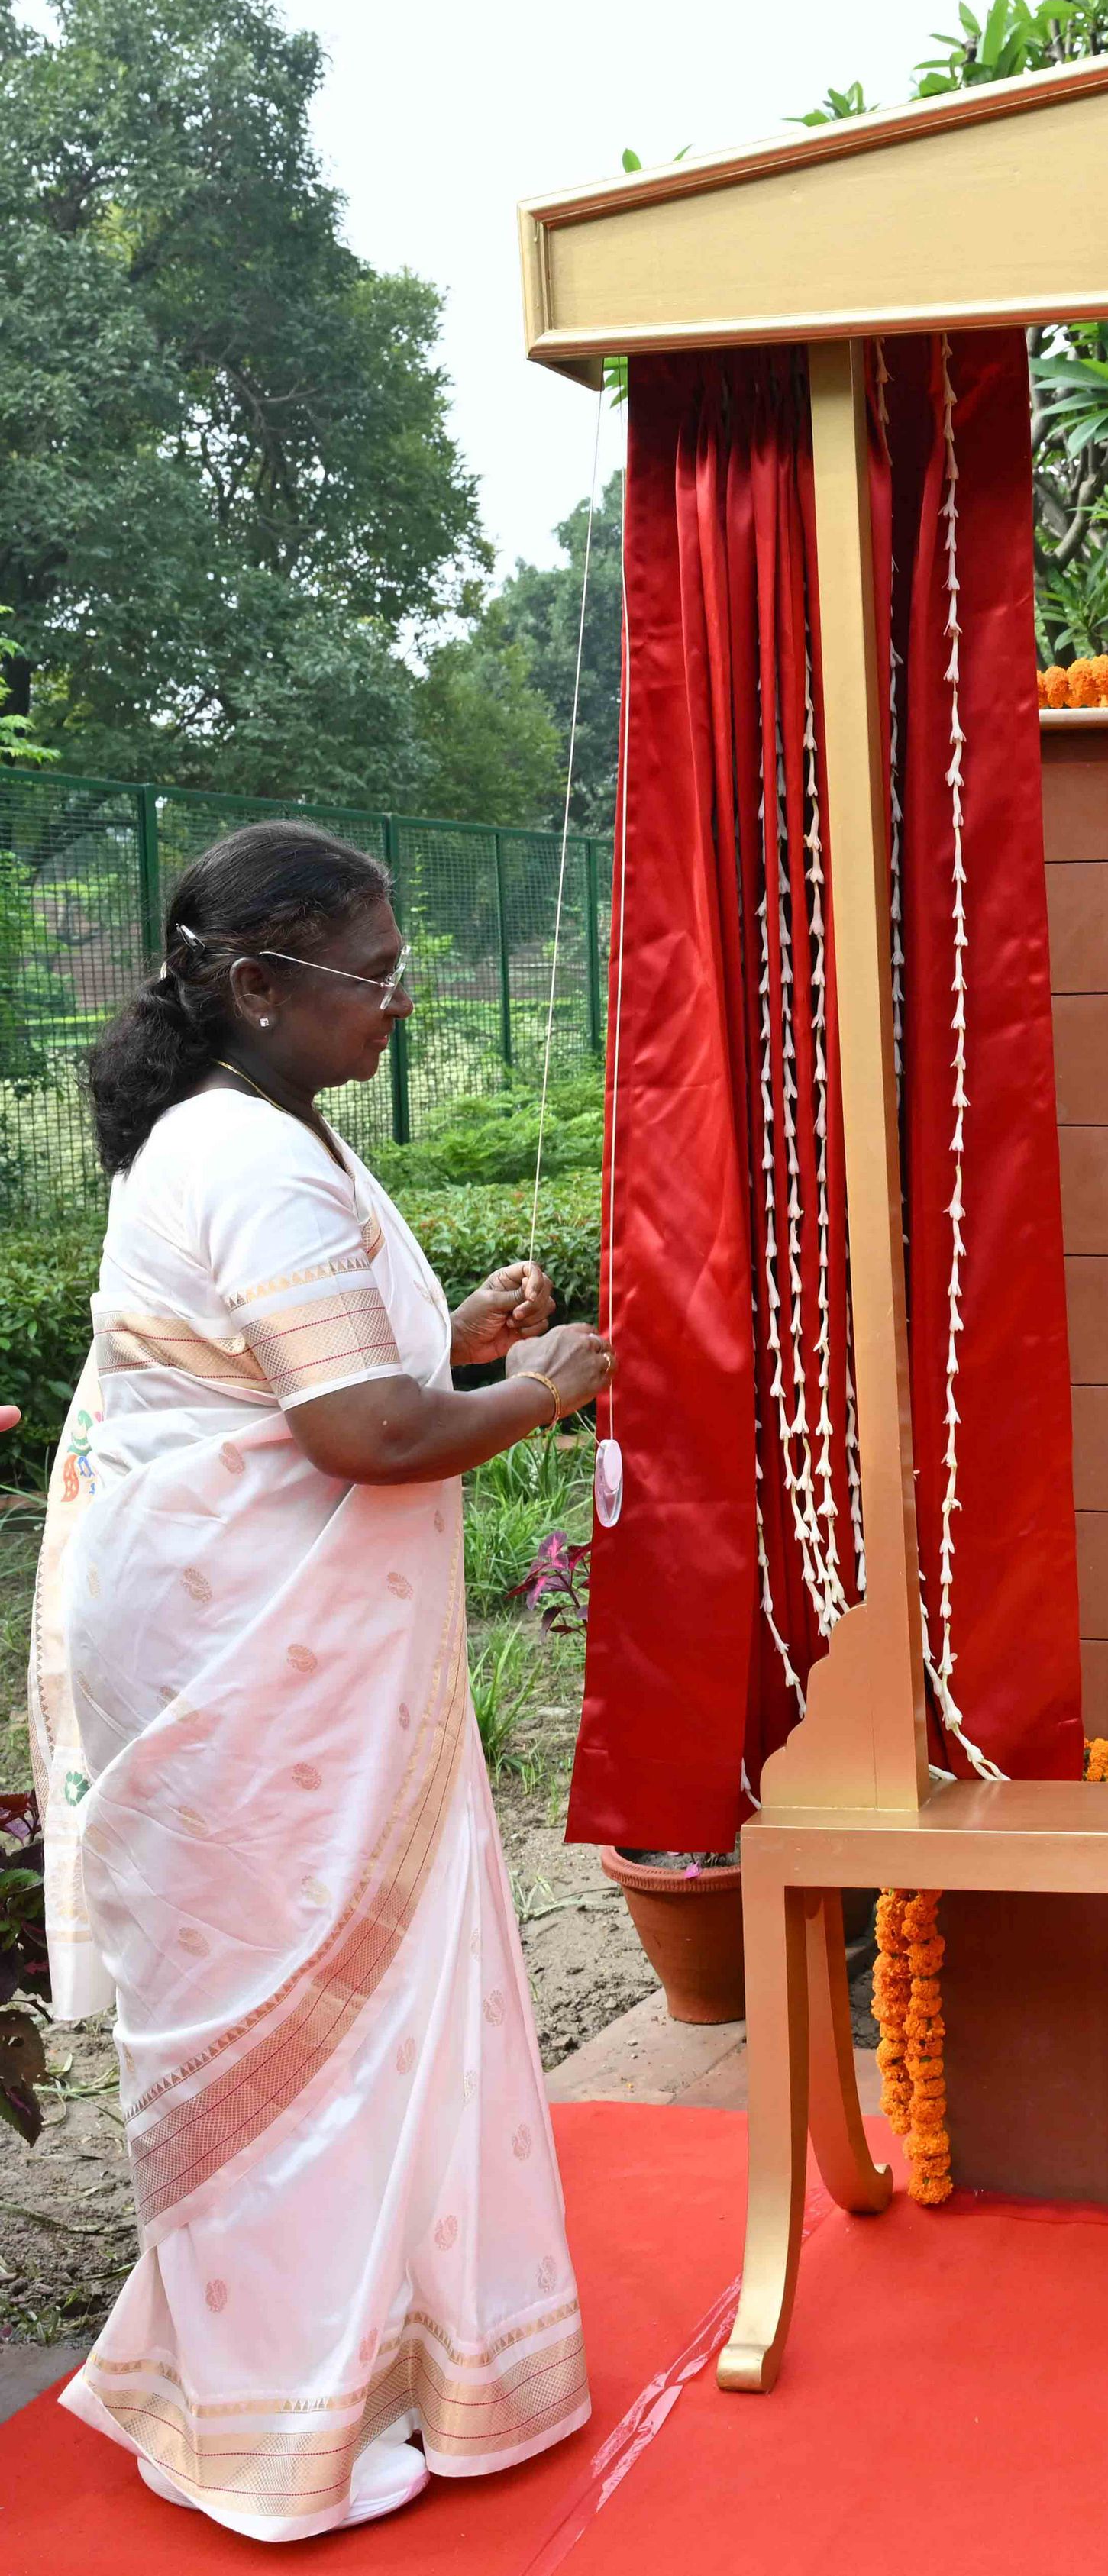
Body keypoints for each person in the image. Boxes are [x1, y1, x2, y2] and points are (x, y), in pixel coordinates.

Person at [36, 820, 612, 2541]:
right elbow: (360, 1432)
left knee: (346, 2018)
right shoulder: (249, 1152)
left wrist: (460, 1343)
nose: (399, 999)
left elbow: (299, 1371)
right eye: (372, 974)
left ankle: (365, 2362)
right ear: (257, 984)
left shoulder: (266, 1124)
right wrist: (545, 1385)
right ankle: (277, 2415)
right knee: (298, 2024)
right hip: (245, 1662)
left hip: (263, 1643)